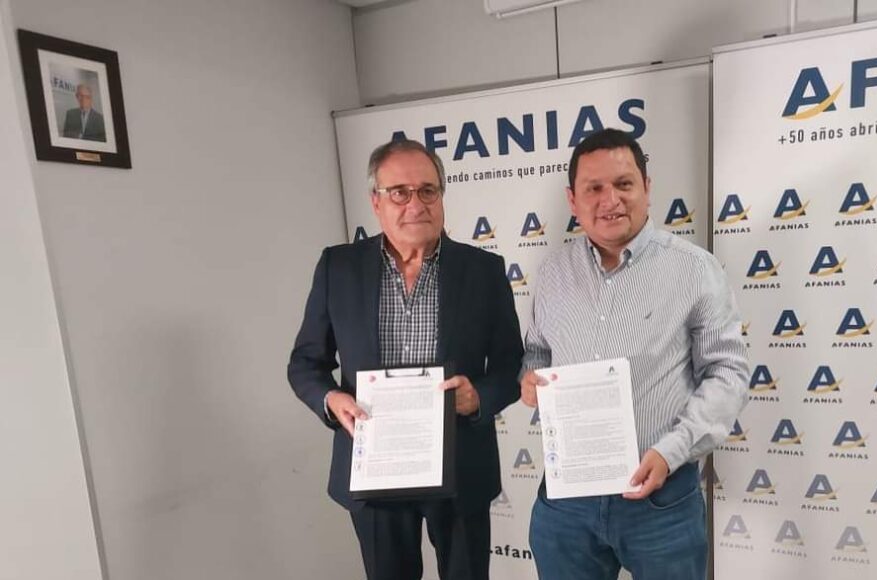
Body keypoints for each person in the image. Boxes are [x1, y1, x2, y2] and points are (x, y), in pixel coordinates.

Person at [519, 128, 749, 579]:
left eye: (624, 184)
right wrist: (530, 379)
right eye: (594, 188)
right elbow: (537, 352)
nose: (611, 200)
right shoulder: (552, 273)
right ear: (572, 200)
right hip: (568, 500)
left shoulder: (694, 269)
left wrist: (671, 451)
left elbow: (727, 373)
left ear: (646, 187)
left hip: (661, 496)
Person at [288, 139, 523, 580]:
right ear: (376, 202)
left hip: (460, 468)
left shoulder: (484, 270)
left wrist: (478, 397)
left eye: (427, 191)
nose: (416, 204)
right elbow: (305, 362)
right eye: (399, 192)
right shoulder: (338, 268)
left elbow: (512, 365)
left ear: (442, 196)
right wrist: (332, 400)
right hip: (374, 470)